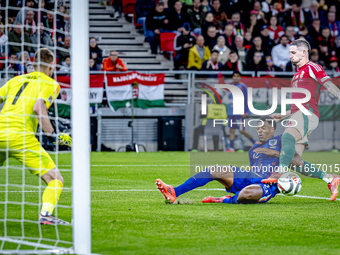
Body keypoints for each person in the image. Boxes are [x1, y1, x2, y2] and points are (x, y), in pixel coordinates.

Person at [156, 116, 304, 204]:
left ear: (273, 130)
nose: (259, 131)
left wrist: (272, 153)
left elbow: (298, 162)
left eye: (263, 128)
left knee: (248, 194)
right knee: (215, 170)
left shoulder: (281, 140)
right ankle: (174, 192)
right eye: (258, 129)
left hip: (269, 184)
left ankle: (224, 199)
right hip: (249, 176)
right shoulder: (253, 149)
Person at [0, 48, 72, 225]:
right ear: (51, 65)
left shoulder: (16, 79)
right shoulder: (50, 83)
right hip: (20, 137)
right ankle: (46, 215)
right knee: (55, 179)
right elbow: (39, 107)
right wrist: (53, 135)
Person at [264, 39, 340, 201]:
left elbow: (329, 85)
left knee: (287, 137)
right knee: (294, 160)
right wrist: (283, 114)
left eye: (293, 52)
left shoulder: (312, 67)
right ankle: (330, 178)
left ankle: (279, 173)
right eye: (289, 52)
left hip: (307, 114)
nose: (290, 56)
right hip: (298, 114)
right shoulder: (297, 74)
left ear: (304, 52)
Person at [226, 71, 256, 152]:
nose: (235, 77)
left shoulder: (243, 86)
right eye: (234, 76)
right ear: (232, 77)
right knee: (231, 130)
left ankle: (255, 143)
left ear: (240, 77)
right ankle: (231, 148)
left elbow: (246, 100)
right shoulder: (231, 86)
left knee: (241, 130)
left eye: (237, 76)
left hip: (239, 112)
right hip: (231, 112)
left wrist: (245, 111)